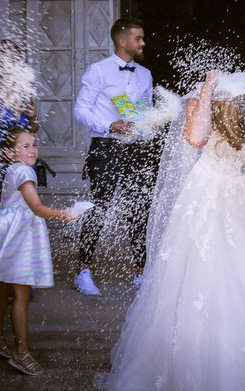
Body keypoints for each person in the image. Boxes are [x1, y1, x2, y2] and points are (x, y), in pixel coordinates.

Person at [97, 70, 245, 390]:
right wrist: (208, 89)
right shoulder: (210, 100)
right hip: (211, 196)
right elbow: (197, 138)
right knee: (210, 273)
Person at [0, 127, 75, 376]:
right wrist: (63, 214)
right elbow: (36, 207)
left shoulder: (12, 170)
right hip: (19, 239)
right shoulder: (25, 172)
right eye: (25, 146)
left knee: (3, 287)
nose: (32, 149)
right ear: (10, 152)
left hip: (9, 236)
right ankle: (21, 352)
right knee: (21, 294)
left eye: (34, 145)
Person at [73, 17, 155, 295]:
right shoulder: (98, 71)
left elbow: (146, 111)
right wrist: (109, 124)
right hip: (106, 147)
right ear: (122, 41)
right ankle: (83, 271)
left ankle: (140, 272)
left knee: (138, 209)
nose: (143, 43)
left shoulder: (145, 74)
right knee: (100, 208)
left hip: (135, 148)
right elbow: (80, 110)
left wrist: (145, 125)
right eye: (138, 38)